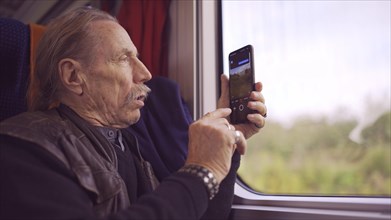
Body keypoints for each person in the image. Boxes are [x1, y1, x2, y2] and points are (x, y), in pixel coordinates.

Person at [0, 7, 267, 220]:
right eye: (124, 59)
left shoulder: (127, 142)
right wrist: (200, 171)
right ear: (73, 76)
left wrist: (228, 140)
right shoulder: (22, 149)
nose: (146, 74)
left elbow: (204, 216)